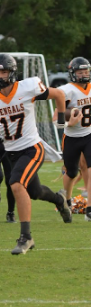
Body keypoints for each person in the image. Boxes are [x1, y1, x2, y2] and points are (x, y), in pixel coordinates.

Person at [0, 54, 71, 255]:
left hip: (32, 148)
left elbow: (59, 95)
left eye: (3, 71)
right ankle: (60, 200)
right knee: (34, 192)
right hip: (12, 152)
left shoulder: (27, 88)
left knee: (15, 183)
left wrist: (61, 122)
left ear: (12, 72)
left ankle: (26, 237)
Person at [57, 57, 91, 220]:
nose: (83, 74)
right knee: (71, 172)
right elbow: (56, 116)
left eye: (86, 71)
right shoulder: (67, 90)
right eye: (80, 72)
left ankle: (90, 209)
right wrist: (69, 121)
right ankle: (67, 200)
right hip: (71, 137)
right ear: (73, 73)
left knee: (91, 170)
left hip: (89, 134)